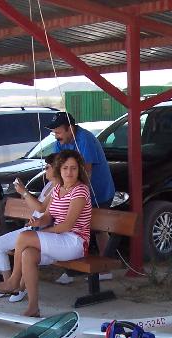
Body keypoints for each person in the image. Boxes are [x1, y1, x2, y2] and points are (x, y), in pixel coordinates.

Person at [0, 149, 92, 317]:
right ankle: (33, 308)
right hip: (58, 239)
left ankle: (14, 281)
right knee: (28, 254)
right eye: (65, 168)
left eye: (73, 168)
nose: (69, 172)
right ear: (59, 169)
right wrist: (38, 223)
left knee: (24, 237)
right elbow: (48, 215)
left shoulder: (80, 190)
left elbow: (68, 225)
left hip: (74, 241)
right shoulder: (57, 188)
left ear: (79, 169)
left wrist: (45, 231)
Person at [45, 111, 115, 284]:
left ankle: (105, 268)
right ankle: (71, 270)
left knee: (99, 229)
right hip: (74, 194)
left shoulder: (85, 139)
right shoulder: (60, 143)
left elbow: (86, 173)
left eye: (58, 132)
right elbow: (57, 168)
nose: (56, 136)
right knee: (71, 227)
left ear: (70, 128)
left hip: (99, 192)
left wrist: (74, 194)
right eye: (54, 132)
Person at [0, 153, 59, 303]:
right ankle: (9, 284)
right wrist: (24, 194)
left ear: (57, 168)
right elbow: (37, 208)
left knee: (25, 253)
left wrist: (24, 192)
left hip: (43, 231)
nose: (45, 170)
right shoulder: (49, 185)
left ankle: (19, 287)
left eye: (48, 167)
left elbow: (41, 209)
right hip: (32, 227)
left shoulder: (58, 187)